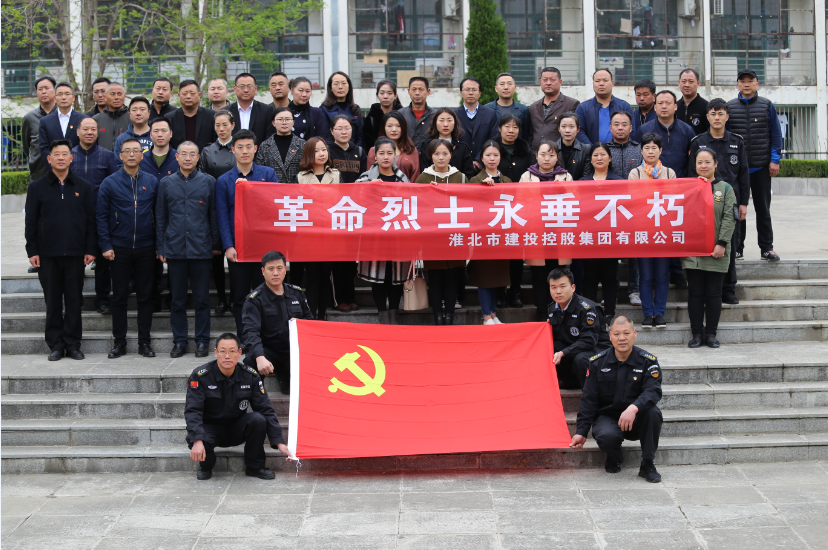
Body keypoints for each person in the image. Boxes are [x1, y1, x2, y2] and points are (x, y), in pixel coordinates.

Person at [185, 332, 296, 481]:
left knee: (257, 419)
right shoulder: (200, 376)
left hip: (236, 427)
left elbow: (265, 409)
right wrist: (197, 440)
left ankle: (255, 467)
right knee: (199, 435)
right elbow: (193, 410)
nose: (227, 356)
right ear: (216, 353)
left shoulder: (250, 375)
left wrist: (279, 442)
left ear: (239, 353)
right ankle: (206, 466)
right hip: (210, 428)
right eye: (223, 351)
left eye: (232, 351)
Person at [25, 139, 97, 361]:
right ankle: (56, 344)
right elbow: (30, 222)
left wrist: (90, 249)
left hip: (75, 255)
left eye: (65, 154)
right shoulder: (36, 187)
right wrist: (32, 250)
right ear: (49, 159)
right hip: (47, 255)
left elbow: (91, 222)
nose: (61, 158)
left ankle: (73, 343)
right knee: (53, 301)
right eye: (56, 154)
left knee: (74, 301)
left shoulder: (83, 187)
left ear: (71, 158)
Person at [570, 315, 663, 483]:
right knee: (607, 436)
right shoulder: (597, 363)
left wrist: (634, 408)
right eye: (617, 334)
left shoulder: (648, 362)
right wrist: (581, 432)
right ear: (610, 336)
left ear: (635, 334)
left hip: (636, 418)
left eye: (626, 333)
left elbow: (653, 391)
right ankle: (614, 455)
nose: (622, 338)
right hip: (609, 417)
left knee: (653, 413)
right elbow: (589, 399)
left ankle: (647, 464)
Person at [97, 137, 160, 359]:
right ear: (120, 155)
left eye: (136, 151)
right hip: (119, 247)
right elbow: (101, 216)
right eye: (127, 151)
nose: (132, 154)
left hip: (146, 246)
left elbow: (159, 215)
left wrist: (159, 245)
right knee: (119, 297)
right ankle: (119, 342)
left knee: (145, 297)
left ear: (142, 155)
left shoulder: (152, 181)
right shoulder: (109, 183)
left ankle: (145, 342)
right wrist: (105, 244)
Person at [156, 141, 220, 358]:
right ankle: (180, 341)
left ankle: (202, 341)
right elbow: (161, 217)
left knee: (202, 299)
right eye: (184, 154)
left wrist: (215, 243)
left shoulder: (208, 182)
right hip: (175, 248)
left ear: (198, 157)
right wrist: (161, 246)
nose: (188, 158)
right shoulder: (166, 183)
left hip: (201, 248)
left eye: (192, 154)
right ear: (177, 157)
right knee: (177, 300)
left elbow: (213, 215)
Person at [216, 130, 280, 336]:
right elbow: (222, 216)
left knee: (266, 294)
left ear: (255, 149)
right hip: (239, 248)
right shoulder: (224, 180)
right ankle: (245, 337)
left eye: (249, 147)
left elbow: (274, 207)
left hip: (263, 247)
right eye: (240, 147)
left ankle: (265, 336)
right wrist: (228, 245)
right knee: (240, 296)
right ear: (233, 150)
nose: (245, 151)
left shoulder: (268, 174)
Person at [689, 99, 751, 304]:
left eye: (721, 114)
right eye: (713, 114)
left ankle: (728, 289)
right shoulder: (698, 142)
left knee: (729, 244)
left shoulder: (737, 142)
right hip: (704, 204)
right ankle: (708, 287)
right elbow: (691, 174)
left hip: (730, 202)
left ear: (727, 117)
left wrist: (743, 203)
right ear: (707, 117)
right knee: (705, 243)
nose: (717, 118)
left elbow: (743, 174)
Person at [727, 68, 782, 262]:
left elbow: (776, 135)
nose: (746, 84)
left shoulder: (767, 105)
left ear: (757, 84)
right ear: (738, 85)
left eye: (750, 81)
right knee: (738, 210)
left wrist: (775, 160)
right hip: (737, 169)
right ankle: (737, 248)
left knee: (763, 209)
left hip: (761, 167)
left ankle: (766, 248)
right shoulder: (730, 107)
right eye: (743, 81)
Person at [684, 149, 737, 349]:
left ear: (716, 164)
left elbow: (729, 218)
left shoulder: (725, 189)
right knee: (695, 293)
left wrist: (722, 243)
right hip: (693, 251)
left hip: (717, 251)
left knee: (714, 293)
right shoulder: (688, 188)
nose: (703, 166)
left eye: (707, 162)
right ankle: (697, 334)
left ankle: (711, 334)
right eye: (699, 162)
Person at [241, 252, 314, 395]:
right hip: (270, 351)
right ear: (263, 271)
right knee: (251, 360)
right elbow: (251, 332)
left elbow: (310, 321)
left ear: (285, 269)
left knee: (291, 391)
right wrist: (260, 357)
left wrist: (301, 323)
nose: (275, 273)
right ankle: (256, 399)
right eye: (271, 269)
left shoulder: (296, 293)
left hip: (294, 351)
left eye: (279, 268)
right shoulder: (254, 300)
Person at [355, 138, 410, 324]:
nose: (386, 157)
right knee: (377, 276)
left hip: (397, 235)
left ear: (395, 155)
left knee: (396, 276)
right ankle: (382, 315)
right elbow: (352, 200)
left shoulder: (403, 179)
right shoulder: (365, 178)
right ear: (375, 156)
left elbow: (412, 203)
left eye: (389, 153)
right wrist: (368, 189)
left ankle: (394, 314)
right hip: (375, 237)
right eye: (381, 153)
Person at [520, 140, 573, 321]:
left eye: (551, 155)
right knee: (538, 274)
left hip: (558, 233)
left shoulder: (565, 176)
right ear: (536, 156)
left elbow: (574, 201)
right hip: (536, 233)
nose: (547, 158)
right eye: (543, 154)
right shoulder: (527, 176)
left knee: (558, 274)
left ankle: (557, 310)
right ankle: (542, 311)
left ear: (557, 157)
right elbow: (520, 203)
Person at [415, 140, 466, 325]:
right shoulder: (423, 178)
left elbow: (469, 202)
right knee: (435, 277)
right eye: (436, 153)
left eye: (445, 153)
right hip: (433, 237)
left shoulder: (460, 177)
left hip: (454, 234)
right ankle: (437, 314)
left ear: (451, 155)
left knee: (453, 276)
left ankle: (449, 314)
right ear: (431, 156)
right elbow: (418, 207)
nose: (441, 157)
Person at [72, 117, 118, 315]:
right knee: (75, 262)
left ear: (97, 132)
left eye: (93, 129)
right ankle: (75, 299)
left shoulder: (107, 156)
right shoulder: (70, 156)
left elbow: (114, 185)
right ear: (78, 132)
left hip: (101, 216)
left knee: (102, 261)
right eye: (85, 129)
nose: (89, 132)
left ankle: (102, 299)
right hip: (74, 217)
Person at [629, 133, 676, 329]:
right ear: (641, 151)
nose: (650, 151)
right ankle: (648, 313)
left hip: (663, 231)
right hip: (643, 231)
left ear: (660, 150)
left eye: (654, 147)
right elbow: (634, 200)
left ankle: (660, 313)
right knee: (646, 275)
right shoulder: (635, 173)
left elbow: (673, 200)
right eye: (646, 148)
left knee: (662, 275)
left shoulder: (669, 173)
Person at [468, 141, 512, 325]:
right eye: (488, 155)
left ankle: (493, 313)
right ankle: (486, 315)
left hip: (501, 236)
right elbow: (472, 208)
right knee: (484, 276)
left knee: (497, 277)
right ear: (482, 158)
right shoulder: (474, 180)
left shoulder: (507, 181)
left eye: (495, 155)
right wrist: (483, 190)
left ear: (500, 157)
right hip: (482, 236)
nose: (492, 158)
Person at [296, 137, 340, 319]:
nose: (322, 154)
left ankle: (322, 317)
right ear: (308, 154)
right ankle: (311, 317)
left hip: (330, 234)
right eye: (316, 151)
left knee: (325, 276)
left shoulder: (336, 175)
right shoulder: (301, 177)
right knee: (313, 277)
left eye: (324, 149)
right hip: (310, 234)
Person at [546, 267, 611, 389]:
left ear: (573, 287)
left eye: (562, 286)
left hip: (597, 349)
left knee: (580, 359)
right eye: (553, 287)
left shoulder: (587, 309)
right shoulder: (552, 309)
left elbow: (589, 341)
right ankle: (570, 382)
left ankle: (591, 391)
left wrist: (564, 353)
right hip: (574, 347)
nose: (558, 291)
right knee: (548, 348)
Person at [199, 110, 236, 316]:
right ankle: (221, 299)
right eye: (217, 125)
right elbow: (203, 180)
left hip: (235, 206)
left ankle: (235, 298)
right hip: (214, 205)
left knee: (235, 257)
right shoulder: (207, 151)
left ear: (232, 125)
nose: (221, 129)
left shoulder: (239, 147)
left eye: (225, 125)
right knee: (216, 257)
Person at [492, 114, 532, 308]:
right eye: (507, 126)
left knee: (516, 253)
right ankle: (500, 291)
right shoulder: (492, 149)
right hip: (497, 208)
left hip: (520, 208)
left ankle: (515, 291)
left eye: (515, 127)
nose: (511, 130)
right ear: (500, 128)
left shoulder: (526, 151)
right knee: (500, 254)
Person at [580, 143, 622, 322]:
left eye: (603, 154)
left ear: (610, 158)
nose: (599, 158)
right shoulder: (582, 183)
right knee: (589, 278)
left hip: (611, 238)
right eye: (595, 155)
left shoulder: (619, 182)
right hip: (589, 238)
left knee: (610, 277)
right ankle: (591, 314)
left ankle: (610, 313)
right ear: (590, 159)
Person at [634, 90, 695, 178]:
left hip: (680, 181)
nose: (664, 106)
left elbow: (693, 159)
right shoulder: (643, 130)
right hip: (651, 181)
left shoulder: (687, 130)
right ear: (655, 107)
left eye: (668, 103)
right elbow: (637, 157)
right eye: (660, 103)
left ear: (675, 107)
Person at [575, 69, 633, 145]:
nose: (601, 84)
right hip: (591, 151)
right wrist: (593, 149)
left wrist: (618, 149)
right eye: (597, 81)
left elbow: (632, 131)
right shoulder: (583, 108)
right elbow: (579, 132)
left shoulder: (624, 106)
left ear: (612, 83)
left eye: (605, 80)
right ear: (593, 84)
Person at [529, 67, 580, 151]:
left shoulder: (571, 104)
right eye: (545, 80)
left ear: (560, 82)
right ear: (540, 82)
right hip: (537, 155)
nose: (548, 83)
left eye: (552, 80)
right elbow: (530, 134)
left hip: (559, 154)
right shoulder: (533, 107)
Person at [454, 78, 499, 171]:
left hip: (484, 165)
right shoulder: (454, 115)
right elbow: (453, 139)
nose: (471, 93)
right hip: (460, 165)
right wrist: (466, 161)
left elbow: (494, 138)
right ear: (461, 93)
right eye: (467, 89)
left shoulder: (490, 113)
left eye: (474, 90)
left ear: (480, 93)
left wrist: (479, 159)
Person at [418, 107, 475, 179]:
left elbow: (469, 176)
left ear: (455, 123)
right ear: (435, 122)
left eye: (449, 120)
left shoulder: (462, 148)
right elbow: (423, 173)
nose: (445, 124)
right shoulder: (426, 146)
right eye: (441, 120)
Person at [255, 106, 306, 183]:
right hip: (272, 188)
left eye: (287, 119)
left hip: (296, 188)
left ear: (293, 122)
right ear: (273, 123)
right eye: (280, 119)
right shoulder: (265, 146)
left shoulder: (303, 144)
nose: (284, 122)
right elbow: (260, 171)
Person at [38, 82, 86, 163]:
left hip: (78, 166)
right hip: (53, 167)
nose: (63, 97)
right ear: (54, 98)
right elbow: (43, 148)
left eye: (67, 94)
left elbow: (85, 145)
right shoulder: (45, 121)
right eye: (60, 94)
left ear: (73, 97)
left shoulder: (83, 119)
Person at [366, 111, 420, 182]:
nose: (394, 130)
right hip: (380, 188)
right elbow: (369, 177)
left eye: (398, 126)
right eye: (390, 126)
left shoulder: (411, 150)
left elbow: (415, 178)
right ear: (384, 127)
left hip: (405, 188)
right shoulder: (374, 150)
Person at [22, 76, 56, 183]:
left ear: (55, 91)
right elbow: (27, 146)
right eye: (40, 89)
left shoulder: (63, 115)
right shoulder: (29, 118)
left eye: (47, 88)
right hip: (38, 174)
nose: (43, 92)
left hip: (62, 174)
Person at [166, 80, 217, 151]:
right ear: (179, 95)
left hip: (206, 157)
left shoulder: (211, 116)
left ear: (199, 95)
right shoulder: (169, 118)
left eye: (192, 93)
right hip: (178, 157)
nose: (188, 96)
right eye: (184, 93)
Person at [484, 72, 532, 143]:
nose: (506, 87)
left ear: (515, 88)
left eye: (509, 84)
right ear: (496, 88)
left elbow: (526, 135)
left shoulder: (523, 110)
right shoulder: (486, 109)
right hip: (493, 148)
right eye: (502, 84)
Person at [224, 73, 271, 145]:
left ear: (255, 89)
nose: (246, 90)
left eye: (249, 86)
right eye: (241, 86)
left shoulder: (266, 110)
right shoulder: (226, 112)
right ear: (235, 89)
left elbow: (269, 137)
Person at [321, 71, 364, 148]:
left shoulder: (355, 109)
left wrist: (356, 151)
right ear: (330, 88)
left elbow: (360, 136)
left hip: (353, 151)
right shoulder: (324, 109)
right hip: (333, 151)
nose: (340, 87)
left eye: (343, 83)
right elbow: (325, 137)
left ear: (349, 86)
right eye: (336, 84)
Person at [363, 80, 403, 150]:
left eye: (389, 93)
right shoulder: (371, 118)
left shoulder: (402, 115)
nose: (385, 96)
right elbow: (367, 144)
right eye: (382, 93)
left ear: (395, 96)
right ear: (377, 95)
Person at [399, 76, 435, 151]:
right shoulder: (400, 114)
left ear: (428, 92)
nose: (417, 93)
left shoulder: (435, 115)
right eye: (414, 89)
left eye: (421, 89)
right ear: (408, 91)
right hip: (406, 155)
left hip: (428, 156)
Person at [329, 114, 367, 183]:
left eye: (347, 128)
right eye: (339, 129)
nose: (344, 132)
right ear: (332, 131)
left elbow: (364, 177)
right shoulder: (327, 152)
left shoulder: (360, 152)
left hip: (356, 189)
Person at [288, 76, 329, 141]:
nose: (304, 94)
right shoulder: (283, 113)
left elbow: (321, 138)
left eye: (307, 91)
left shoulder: (317, 113)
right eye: (300, 90)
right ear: (292, 91)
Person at [113, 96, 153, 162]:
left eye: (142, 109)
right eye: (134, 110)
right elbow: (118, 163)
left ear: (149, 113)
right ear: (129, 114)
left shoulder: (156, 135)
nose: (138, 113)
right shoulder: (121, 139)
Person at [139, 118, 179, 184]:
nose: (160, 134)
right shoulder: (141, 158)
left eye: (164, 131)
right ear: (150, 135)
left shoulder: (179, 158)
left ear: (171, 134)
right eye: (156, 131)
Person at [93, 82, 130, 150]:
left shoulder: (132, 118)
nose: (116, 97)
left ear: (124, 96)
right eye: (112, 94)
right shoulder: (96, 120)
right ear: (105, 97)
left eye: (119, 94)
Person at [606, 111, 642, 179]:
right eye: (616, 124)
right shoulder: (605, 150)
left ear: (631, 128)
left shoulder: (639, 150)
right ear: (611, 128)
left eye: (624, 125)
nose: (620, 128)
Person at [556, 112, 589, 181]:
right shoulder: (552, 149)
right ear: (559, 128)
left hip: (579, 186)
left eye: (571, 126)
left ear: (578, 129)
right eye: (563, 126)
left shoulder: (586, 149)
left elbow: (586, 175)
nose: (567, 130)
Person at [676, 68, 709, 135]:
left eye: (691, 81)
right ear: (679, 83)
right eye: (684, 81)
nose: (687, 85)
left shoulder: (707, 107)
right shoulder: (674, 107)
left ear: (698, 84)